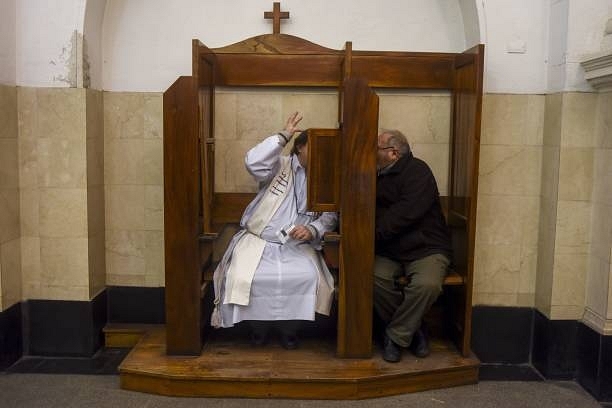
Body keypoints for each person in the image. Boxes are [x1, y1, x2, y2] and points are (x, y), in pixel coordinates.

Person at [211, 112, 338, 350]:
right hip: (259, 242)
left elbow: (331, 216)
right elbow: (253, 162)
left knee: (306, 278)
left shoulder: (326, 178)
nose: (320, 154)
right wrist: (283, 136)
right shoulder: (279, 165)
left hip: (297, 246)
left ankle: (290, 330)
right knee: (246, 278)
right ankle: (258, 329)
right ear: (299, 148)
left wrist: (312, 229)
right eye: (314, 147)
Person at [374, 129, 452, 363]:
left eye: (376, 148)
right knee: (371, 278)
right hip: (389, 250)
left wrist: (371, 235)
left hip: (426, 248)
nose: (371, 153)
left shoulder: (418, 171)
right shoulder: (374, 175)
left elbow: (405, 214)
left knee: (427, 285)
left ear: (393, 153)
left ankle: (395, 336)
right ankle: (415, 329)